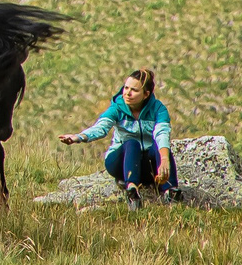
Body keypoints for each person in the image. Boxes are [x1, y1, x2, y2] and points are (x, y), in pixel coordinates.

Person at [60, 68, 179, 207]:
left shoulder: (158, 109)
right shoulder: (117, 108)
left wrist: (164, 160)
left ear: (146, 94)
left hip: (147, 165)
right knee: (132, 143)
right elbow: (101, 128)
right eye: (126, 88)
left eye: (134, 90)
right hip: (121, 163)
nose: (127, 93)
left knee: (160, 147)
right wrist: (78, 137)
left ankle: (171, 192)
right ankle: (132, 191)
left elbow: (162, 134)